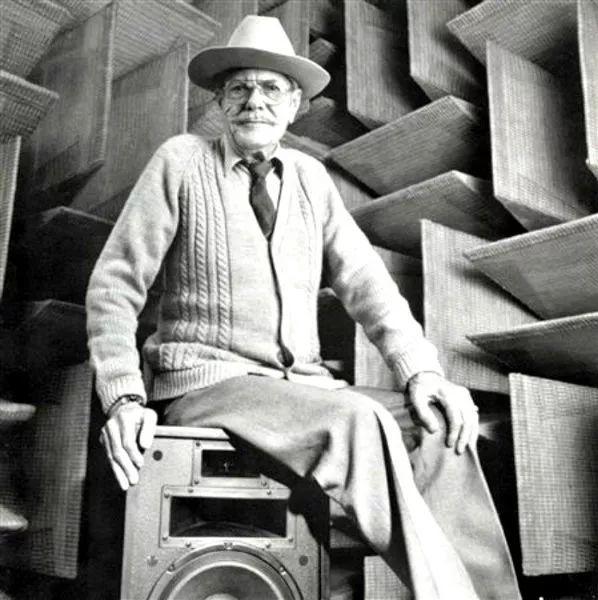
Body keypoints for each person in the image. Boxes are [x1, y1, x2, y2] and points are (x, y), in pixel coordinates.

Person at [86, 15, 521, 599]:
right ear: (219, 101)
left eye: (271, 88)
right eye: (239, 88)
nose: (254, 101)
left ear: (294, 106)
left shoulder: (311, 179)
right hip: (206, 385)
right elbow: (114, 287)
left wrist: (422, 372)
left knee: (439, 427)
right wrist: (124, 397)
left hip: (300, 391)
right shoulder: (180, 161)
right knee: (357, 422)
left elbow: (368, 284)